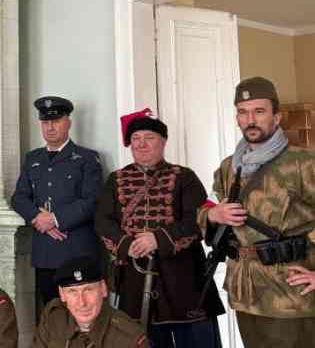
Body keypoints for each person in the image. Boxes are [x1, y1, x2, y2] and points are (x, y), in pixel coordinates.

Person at [197, 77, 315, 348]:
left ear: (277, 117)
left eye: (259, 111)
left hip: (291, 296)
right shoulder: (229, 167)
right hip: (246, 293)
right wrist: (214, 216)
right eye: (243, 112)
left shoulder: (304, 163)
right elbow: (207, 210)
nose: (250, 120)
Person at [95, 111, 224, 348]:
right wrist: (127, 246)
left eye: (149, 138)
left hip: (185, 282)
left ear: (163, 142)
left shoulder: (185, 177)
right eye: (136, 138)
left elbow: (197, 220)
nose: (141, 144)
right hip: (135, 282)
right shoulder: (115, 179)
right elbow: (103, 221)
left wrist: (158, 239)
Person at [11, 96, 103, 307]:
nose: (50, 127)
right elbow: (19, 198)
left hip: (77, 250)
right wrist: (37, 218)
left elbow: (92, 201)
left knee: (82, 311)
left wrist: (54, 219)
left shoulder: (87, 158)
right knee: (50, 314)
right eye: (45, 122)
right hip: (45, 252)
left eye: (56, 121)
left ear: (68, 122)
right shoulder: (33, 158)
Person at [34, 255, 146, 348]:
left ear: (103, 289)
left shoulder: (131, 339)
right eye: (72, 292)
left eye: (88, 290)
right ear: (62, 294)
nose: (82, 303)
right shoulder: (53, 318)